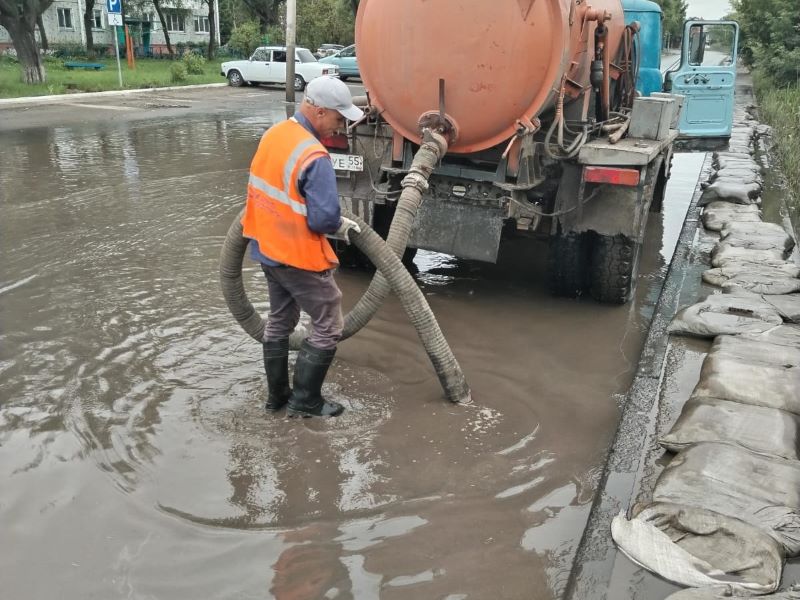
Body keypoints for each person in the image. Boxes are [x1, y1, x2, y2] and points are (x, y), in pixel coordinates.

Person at [241, 75, 364, 418]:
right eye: (339, 118)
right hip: (297, 255)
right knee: (328, 322)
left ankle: (277, 397)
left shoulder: (275, 135)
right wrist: (340, 223)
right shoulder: (314, 155)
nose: (341, 127)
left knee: (280, 319)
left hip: (267, 249)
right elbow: (323, 220)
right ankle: (306, 401)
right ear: (319, 110)